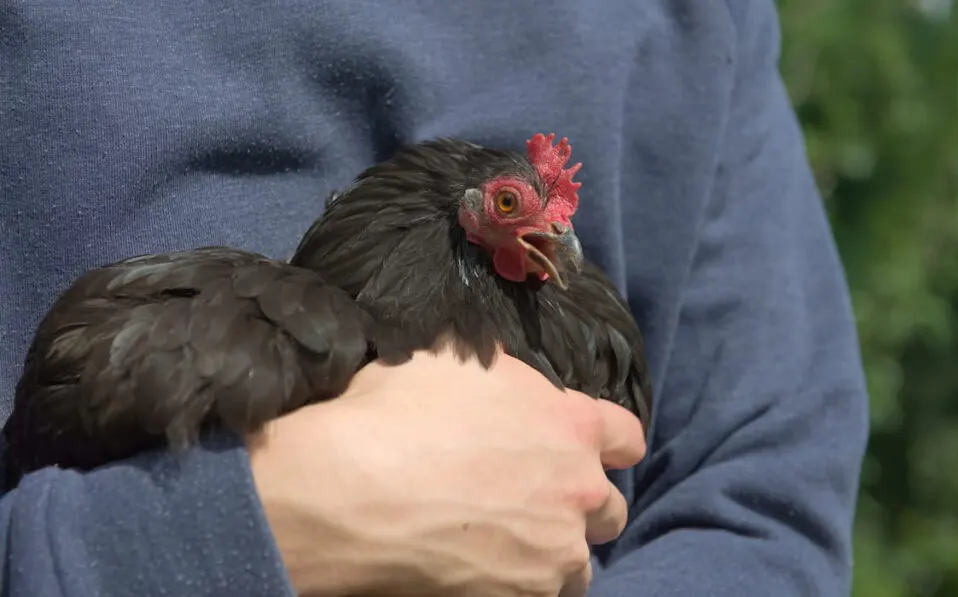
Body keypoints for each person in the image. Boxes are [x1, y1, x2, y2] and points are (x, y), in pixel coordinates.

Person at [0, 0, 869, 596]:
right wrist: (219, 537)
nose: (560, 238)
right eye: (510, 208)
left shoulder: (700, 22)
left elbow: (758, 503)